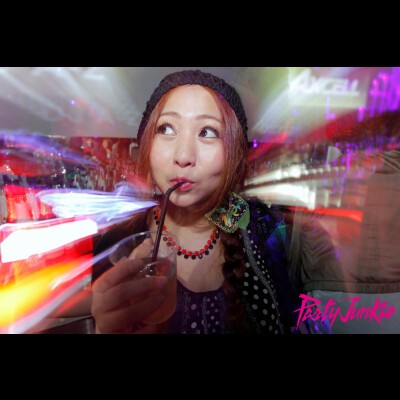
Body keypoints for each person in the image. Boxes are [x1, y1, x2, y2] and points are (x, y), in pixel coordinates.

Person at [90, 70, 298, 334]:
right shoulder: (117, 247)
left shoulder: (262, 230)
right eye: (166, 129)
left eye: (207, 132)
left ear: (234, 154)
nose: (184, 155)